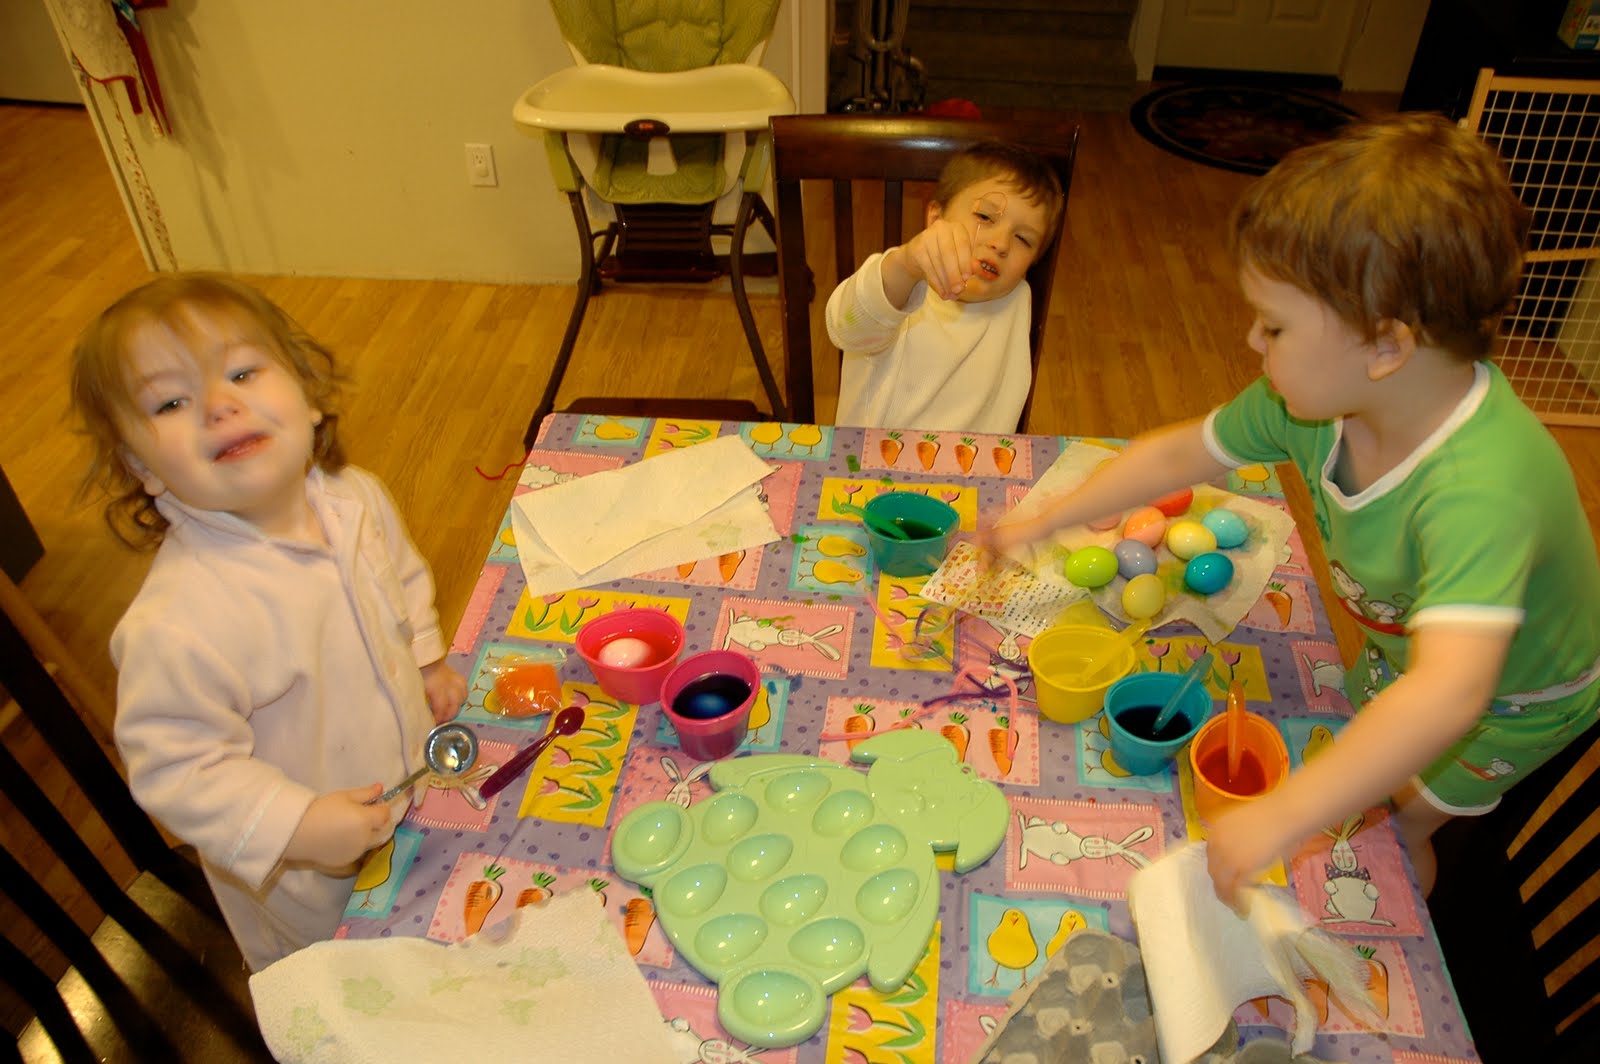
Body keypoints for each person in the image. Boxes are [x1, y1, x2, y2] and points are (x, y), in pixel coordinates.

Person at [991, 113, 1600, 905]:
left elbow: (1450, 693)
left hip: (1512, 699)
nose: (1252, 340)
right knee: (1360, 754)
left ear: (1386, 345)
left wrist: (1285, 814)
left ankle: (1399, 918)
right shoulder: (1317, 404)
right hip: (1401, 646)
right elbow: (1175, 456)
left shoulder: (1481, 488)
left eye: (1274, 324)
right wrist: (1044, 519)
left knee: (1394, 826)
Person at [70, 274, 468, 970]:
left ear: (309, 395)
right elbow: (177, 768)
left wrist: (427, 659)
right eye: (170, 402)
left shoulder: (355, 498)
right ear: (142, 467)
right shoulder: (179, 622)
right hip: (312, 887)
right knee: (367, 988)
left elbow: (401, 579)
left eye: (242, 373)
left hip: (411, 794)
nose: (218, 406)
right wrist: (295, 826)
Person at [826, 139, 1064, 434]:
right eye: (985, 217)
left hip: (974, 461)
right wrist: (905, 265)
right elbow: (846, 328)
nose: (1001, 244)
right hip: (869, 458)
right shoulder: (898, 283)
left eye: (1023, 239)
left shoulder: (1016, 298)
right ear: (936, 218)